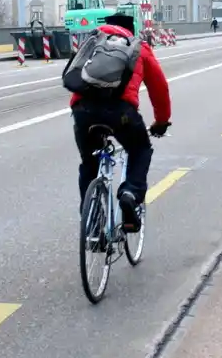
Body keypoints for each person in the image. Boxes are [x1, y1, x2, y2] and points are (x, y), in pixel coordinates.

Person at [69, 13, 172, 233]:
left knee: (89, 162)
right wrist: (161, 121)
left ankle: (92, 226)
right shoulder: (138, 47)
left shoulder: (92, 41)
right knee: (140, 149)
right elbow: (159, 88)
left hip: (82, 110)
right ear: (130, 30)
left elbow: (73, 72)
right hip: (120, 112)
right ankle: (130, 193)